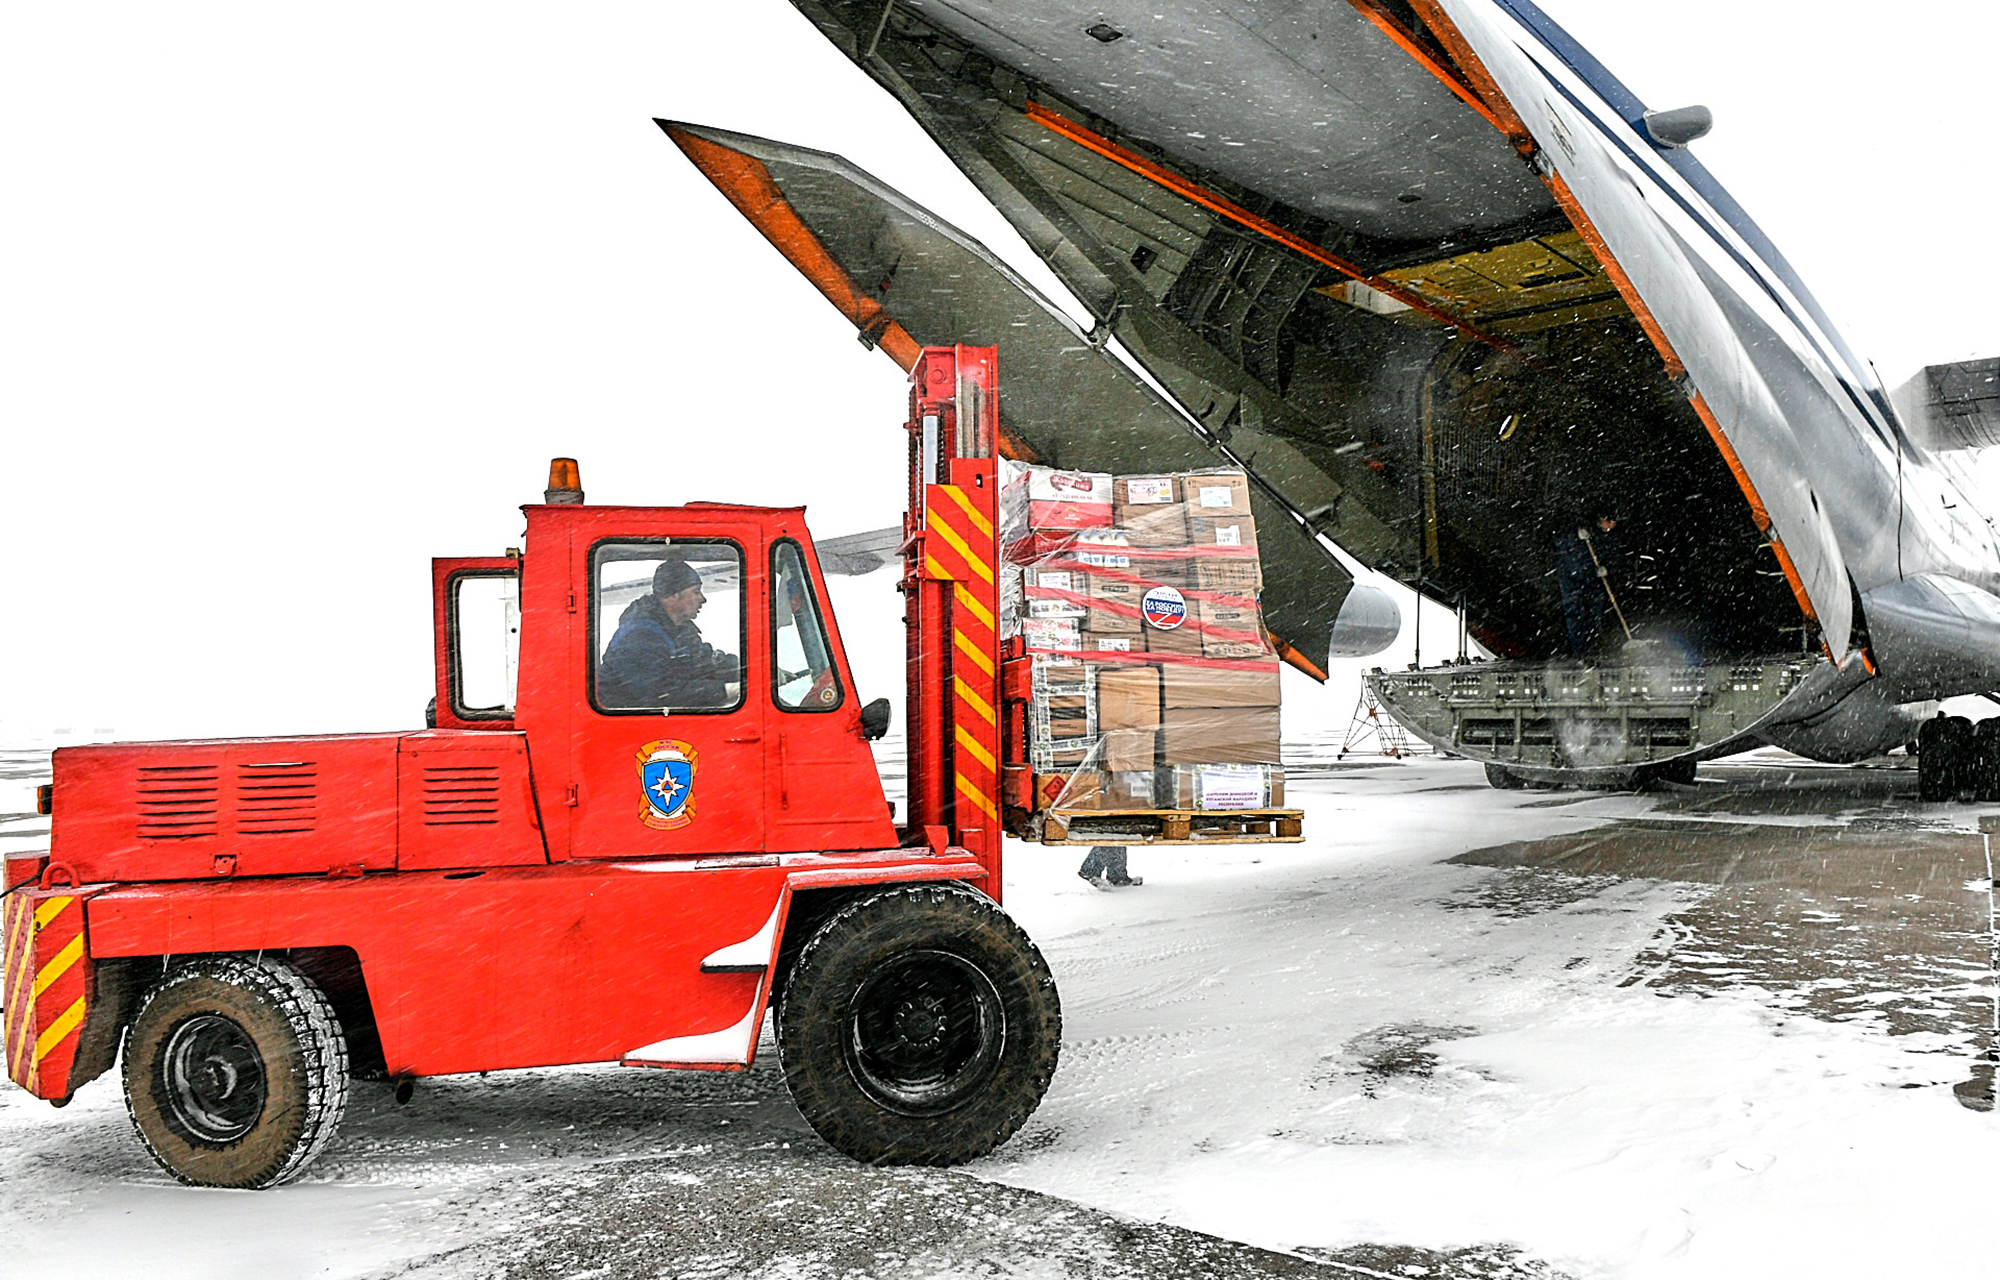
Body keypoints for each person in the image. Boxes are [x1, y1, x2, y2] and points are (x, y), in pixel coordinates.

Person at [598, 558, 740, 708]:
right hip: (623, 723)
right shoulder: (639, 637)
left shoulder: (679, 630)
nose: (702, 599)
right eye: (696, 592)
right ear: (673, 596)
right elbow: (662, 695)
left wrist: (746, 670)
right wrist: (725, 690)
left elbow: (706, 663)